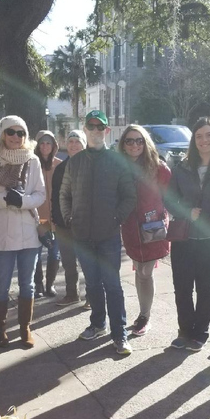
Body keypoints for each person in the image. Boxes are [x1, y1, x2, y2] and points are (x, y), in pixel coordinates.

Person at [60, 110, 137, 355]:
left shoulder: (116, 161)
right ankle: (97, 324)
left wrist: (117, 218)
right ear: (85, 129)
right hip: (82, 234)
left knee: (112, 285)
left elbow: (129, 196)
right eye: (90, 126)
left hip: (108, 235)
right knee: (92, 284)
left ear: (106, 130)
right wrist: (69, 218)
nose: (95, 130)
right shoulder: (76, 161)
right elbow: (65, 194)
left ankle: (120, 333)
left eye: (99, 126)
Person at [166, 117, 210, 352]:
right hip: (184, 238)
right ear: (193, 140)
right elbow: (169, 201)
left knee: (205, 288)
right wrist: (186, 212)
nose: (204, 140)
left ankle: (200, 333)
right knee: (182, 288)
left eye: (208, 135)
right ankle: (184, 332)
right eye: (199, 136)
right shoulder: (182, 167)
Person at [0, 116, 45, 348]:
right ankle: (0, 329)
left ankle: (25, 328)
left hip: (27, 232)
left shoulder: (33, 161)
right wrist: (5, 199)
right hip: (2, 233)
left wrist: (23, 201)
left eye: (20, 132)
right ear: (3, 134)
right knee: (2, 285)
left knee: (28, 285)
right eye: (10, 132)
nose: (16, 137)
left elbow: (40, 195)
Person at [118, 125, 172, 337]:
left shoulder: (158, 168)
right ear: (123, 144)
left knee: (146, 272)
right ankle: (143, 313)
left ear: (146, 142)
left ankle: (145, 315)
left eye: (139, 140)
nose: (134, 145)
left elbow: (170, 198)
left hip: (152, 228)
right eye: (129, 141)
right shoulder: (119, 167)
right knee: (139, 270)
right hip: (130, 227)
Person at [51, 130, 86, 306]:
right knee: (68, 262)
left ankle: (92, 297)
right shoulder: (60, 168)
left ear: (84, 145)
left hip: (86, 224)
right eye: (70, 141)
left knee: (88, 262)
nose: (73, 145)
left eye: (77, 141)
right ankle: (72, 293)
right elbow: (56, 196)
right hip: (63, 224)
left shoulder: (91, 166)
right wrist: (57, 219)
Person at [33, 130, 63, 299]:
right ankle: (38, 285)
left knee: (54, 253)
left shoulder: (60, 165)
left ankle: (49, 285)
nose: (45, 146)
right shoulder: (32, 164)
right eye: (42, 143)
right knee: (36, 252)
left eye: (48, 143)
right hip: (39, 218)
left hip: (56, 218)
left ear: (53, 146)